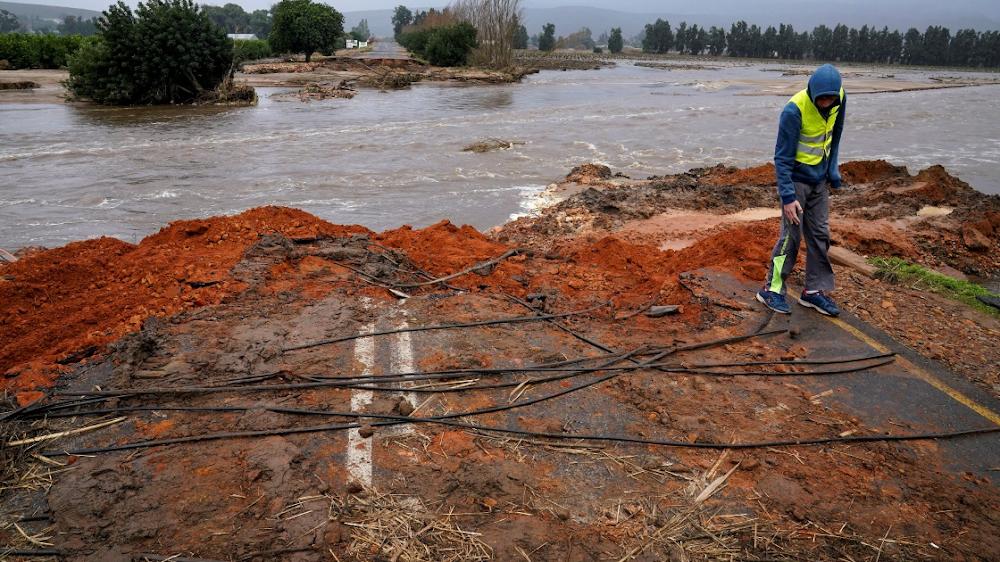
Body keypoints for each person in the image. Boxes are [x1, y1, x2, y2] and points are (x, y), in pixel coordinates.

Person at [756, 63, 846, 317]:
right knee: (791, 236)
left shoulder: (840, 99)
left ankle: (813, 292)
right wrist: (787, 197)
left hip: (819, 180)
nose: (827, 103)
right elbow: (781, 158)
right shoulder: (793, 112)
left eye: (831, 98)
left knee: (820, 234)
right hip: (795, 181)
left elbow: (835, 135)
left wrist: (833, 169)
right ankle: (771, 290)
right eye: (822, 99)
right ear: (813, 93)